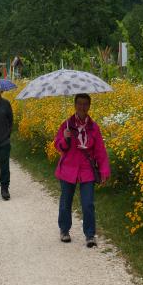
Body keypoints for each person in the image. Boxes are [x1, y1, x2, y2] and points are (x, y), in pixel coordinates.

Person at [53, 93, 110, 248]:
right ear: (75, 105)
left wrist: (104, 170)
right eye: (79, 103)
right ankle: (64, 230)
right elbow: (59, 146)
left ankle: (90, 235)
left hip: (86, 169)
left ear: (89, 106)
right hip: (68, 167)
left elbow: (100, 151)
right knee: (66, 202)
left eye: (85, 104)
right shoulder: (66, 125)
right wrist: (65, 138)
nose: (82, 107)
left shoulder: (94, 127)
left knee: (88, 203)